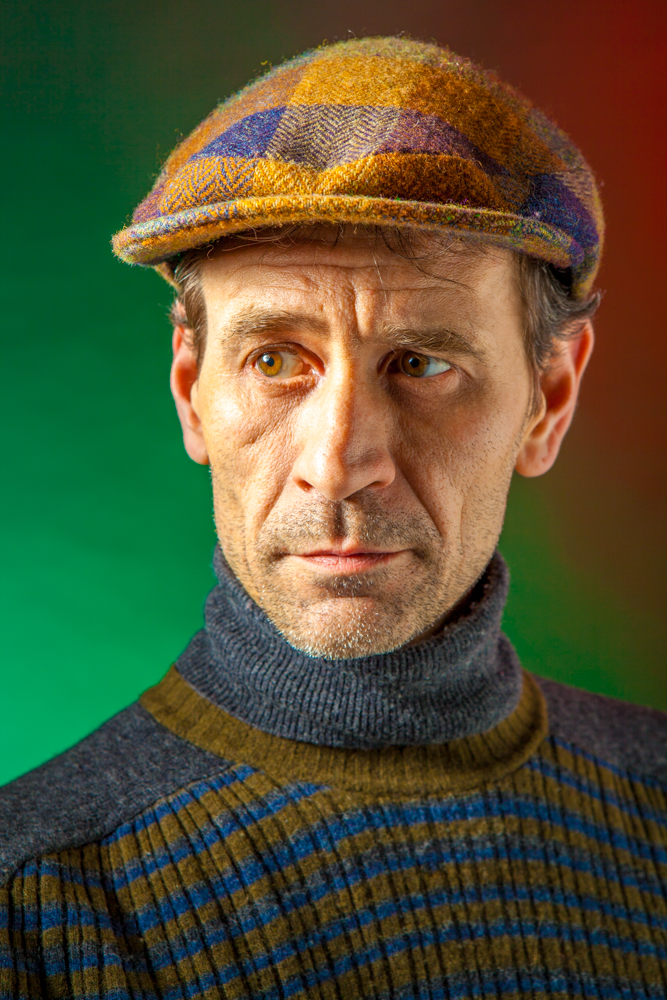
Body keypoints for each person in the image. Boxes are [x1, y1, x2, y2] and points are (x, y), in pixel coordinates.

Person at [1, 36, 665, 1000]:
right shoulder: (34, 903)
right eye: (274, 361)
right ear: (191, 393)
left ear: (549, 398)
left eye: (422, 364)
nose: (339, 464)